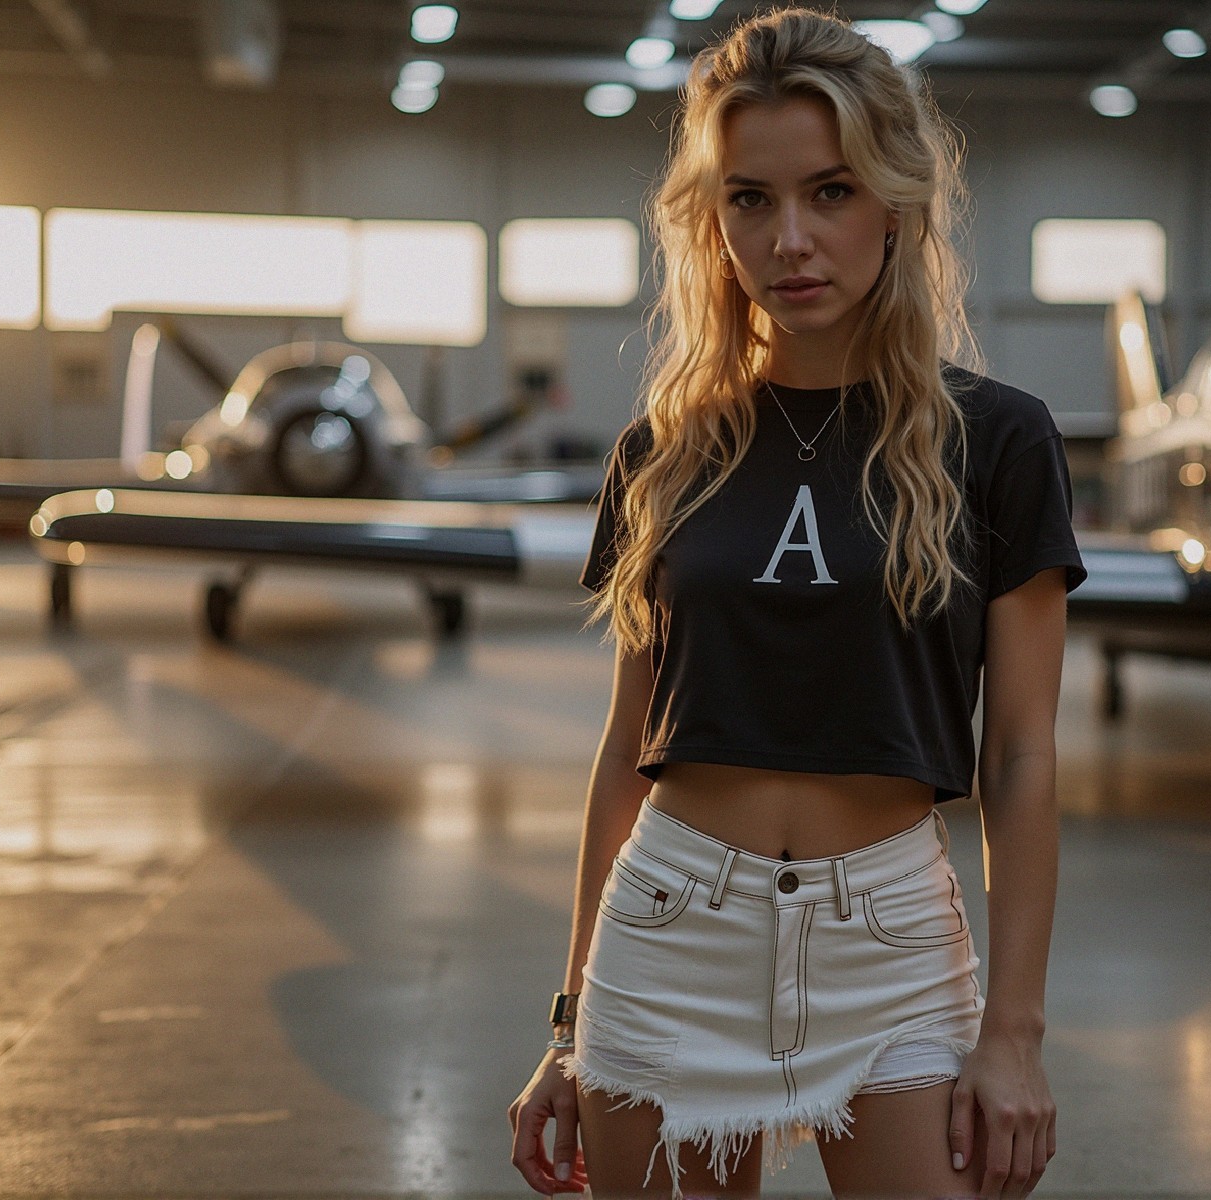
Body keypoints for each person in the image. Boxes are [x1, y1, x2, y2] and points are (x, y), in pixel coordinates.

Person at [508, 8, 1085, 1198]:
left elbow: (1022, 754)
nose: (791, 240)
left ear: (895, 204)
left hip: (890, 939)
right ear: (710, 223)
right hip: (667, 931)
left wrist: (1013, 1031)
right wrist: (570, 1022)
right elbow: (630, 746)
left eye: (829, 192)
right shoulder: (662, 450)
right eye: (750, 200)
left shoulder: (998, 440)